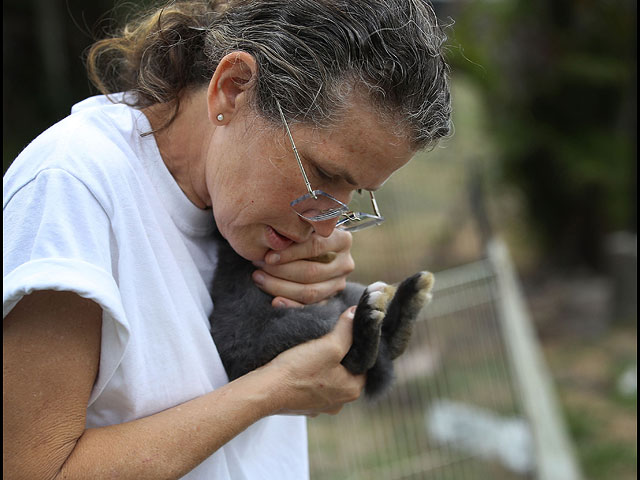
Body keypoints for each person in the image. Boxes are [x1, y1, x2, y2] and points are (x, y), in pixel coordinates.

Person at [3, 0, 451, 478]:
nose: (327, 225)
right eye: (322, 174)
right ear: (232, 89)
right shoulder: (73, 188)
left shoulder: (236, 207)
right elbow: (35, 469)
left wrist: (320, 290)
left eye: (354, 194)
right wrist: (273, 390)